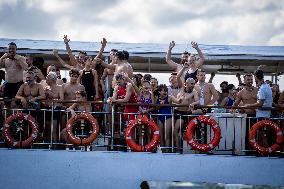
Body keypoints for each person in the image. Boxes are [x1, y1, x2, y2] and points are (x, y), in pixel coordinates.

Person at [0, 42, 28, 106]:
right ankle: (8, 115)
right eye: (9, 49)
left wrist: (17, 58)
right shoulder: (5, 59)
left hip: (18, 84)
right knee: (6, 102)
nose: (11, 50)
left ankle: (19, 115)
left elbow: (26, 68)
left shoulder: (21, 58)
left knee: (19, 103)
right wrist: (1, 58)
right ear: (7, 49)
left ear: (16, 49)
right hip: (8, 84)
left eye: (13, 49)